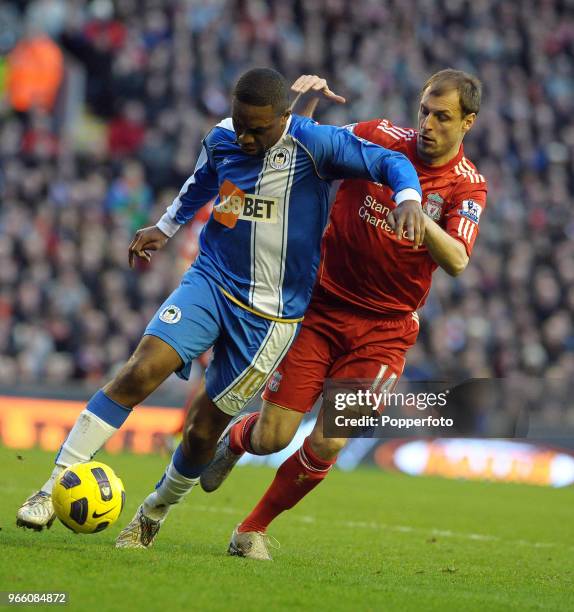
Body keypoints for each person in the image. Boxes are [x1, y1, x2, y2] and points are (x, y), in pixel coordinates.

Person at [16, 68, 424, 544]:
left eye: (259, 129)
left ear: (284, 118)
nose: (247, 138)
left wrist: (410, 198)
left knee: (201, 432)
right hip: (211, 280)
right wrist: (164, 229)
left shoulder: (316, 144)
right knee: (140, 370)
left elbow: (389, 163)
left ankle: (153, 512)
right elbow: (202, 184)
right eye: (241, 124)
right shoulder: (224, 138)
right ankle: (48, 489)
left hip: (270, 316)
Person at [199, 69, 488, 560]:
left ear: (468, 123)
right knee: (273, 438)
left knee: (331, 441)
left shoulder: (468, 187)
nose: (428, 124)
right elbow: (307, 148)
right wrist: (300, 106)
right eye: (424, 111)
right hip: (321, 308)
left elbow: (458, 259)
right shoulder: (378, 137)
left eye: (443, 117)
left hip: (385, 331)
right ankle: (238, 437)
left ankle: (251, 529)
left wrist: (422, 219)